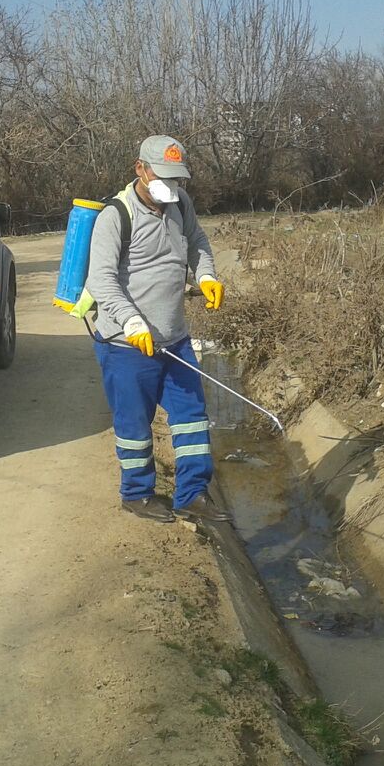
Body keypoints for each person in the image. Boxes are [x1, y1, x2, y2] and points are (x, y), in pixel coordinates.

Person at [86, 135, 230, 524]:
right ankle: (136, 493)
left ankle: (192, 495)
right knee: (134, 422)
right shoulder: (115, 216)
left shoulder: (180, 203)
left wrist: (206, 276)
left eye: (176, 177)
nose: (170, 186)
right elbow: (101, 279)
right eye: (162, 176)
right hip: (126, 344)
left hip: (174, 338)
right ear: (140, 169)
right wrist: (131, 321)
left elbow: (197, 241)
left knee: (191, 415)